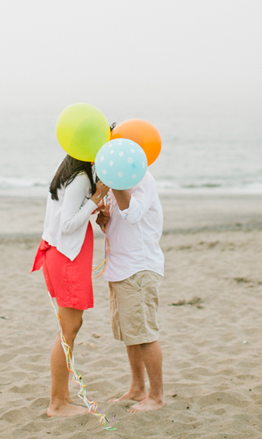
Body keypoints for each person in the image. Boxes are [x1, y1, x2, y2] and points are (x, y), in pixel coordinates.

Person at [32, 154, 108, 417]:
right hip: (66, 257)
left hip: (63, 255)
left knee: (70, 328)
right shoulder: (79, 178)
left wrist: (95, 205)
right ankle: (57, 403)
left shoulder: (72, 172)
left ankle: (62, 397)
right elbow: (67, 224)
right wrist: (94, 201)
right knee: (68, 330)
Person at [95, 168, 166, 412]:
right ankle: (138, 388)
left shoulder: (142, 178)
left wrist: (115, 182)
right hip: (119, 267)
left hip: (139, 267)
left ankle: (156, 396)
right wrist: (104, 219)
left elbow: (133, 214)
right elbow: (121, 223)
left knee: (144, 334)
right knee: (130, 333)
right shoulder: (120, 183)